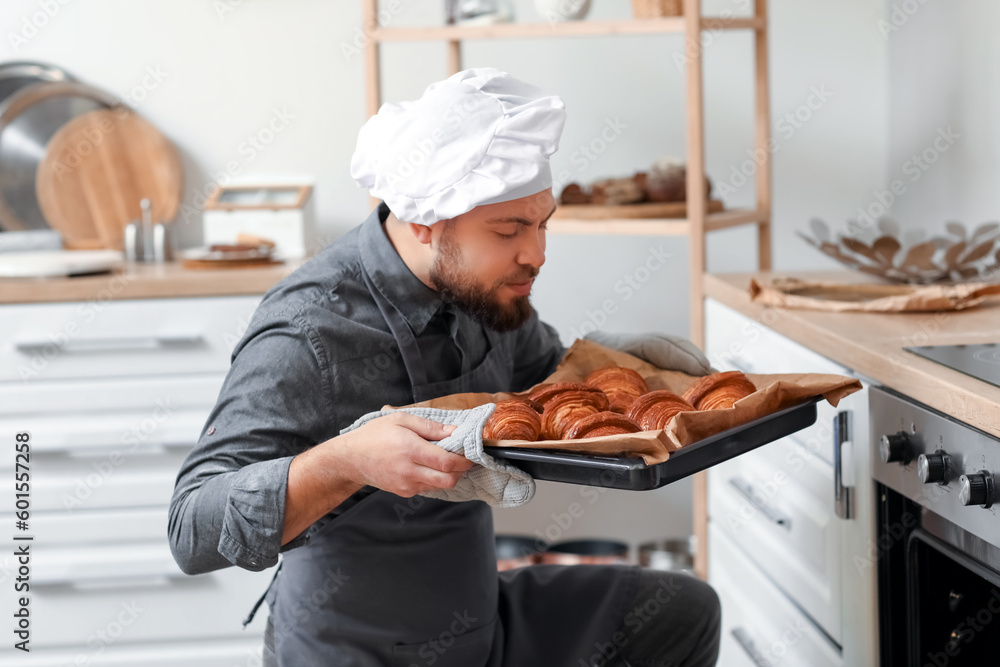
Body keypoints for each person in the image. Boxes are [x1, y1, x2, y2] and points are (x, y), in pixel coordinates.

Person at [168, 68, 721, 667]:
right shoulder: (309, 331)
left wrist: (607, 361)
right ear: (426, 222)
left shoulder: (482, 290)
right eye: (509, 230)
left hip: (479, 624)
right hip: (351, 649)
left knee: (681, 611)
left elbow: (541, 380)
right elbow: (191, 529)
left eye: (542, 223)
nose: (536, 255)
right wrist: (346, 460)